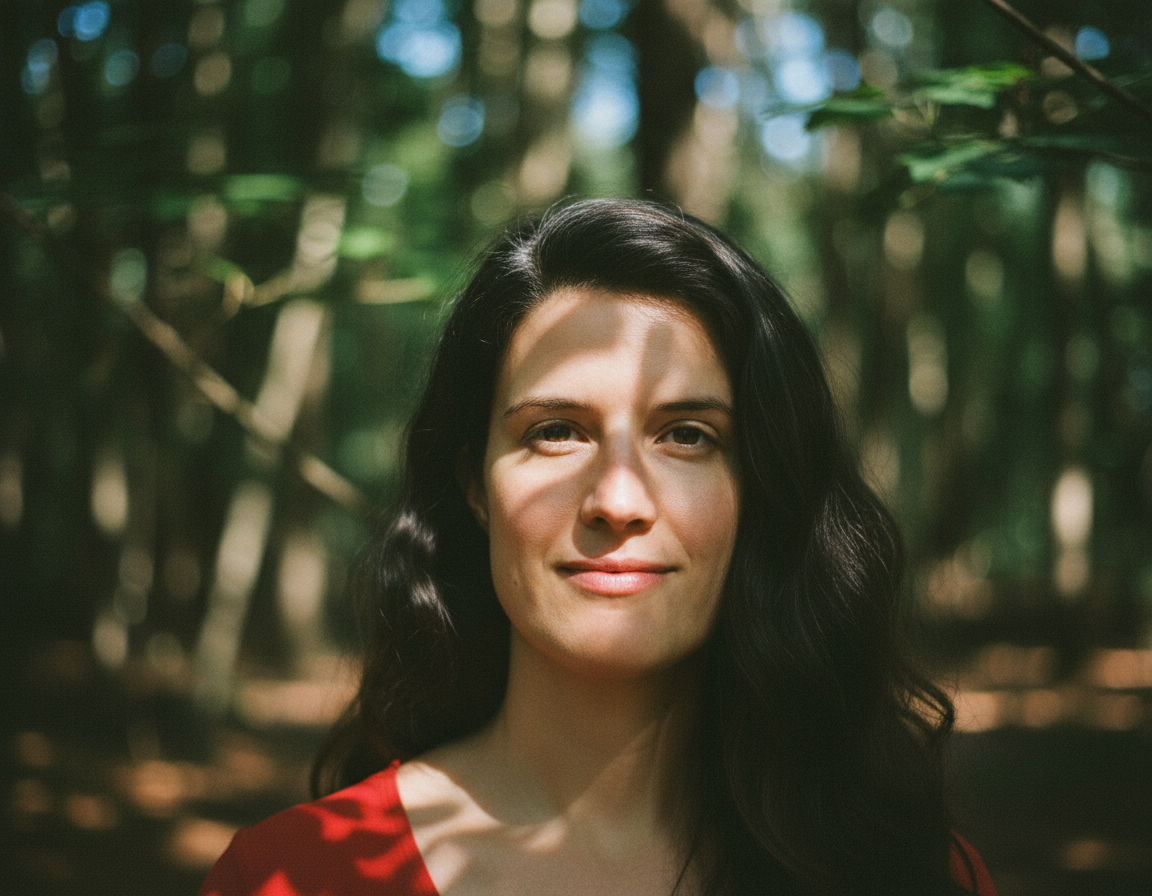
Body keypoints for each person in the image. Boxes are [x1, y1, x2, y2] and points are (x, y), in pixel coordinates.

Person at [200, 199, 996, 895]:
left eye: (687, 436)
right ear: (475, 486)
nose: (617, 501)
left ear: (759, 491)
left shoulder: (909, 872)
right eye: (555, 433)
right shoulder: (292, 877)